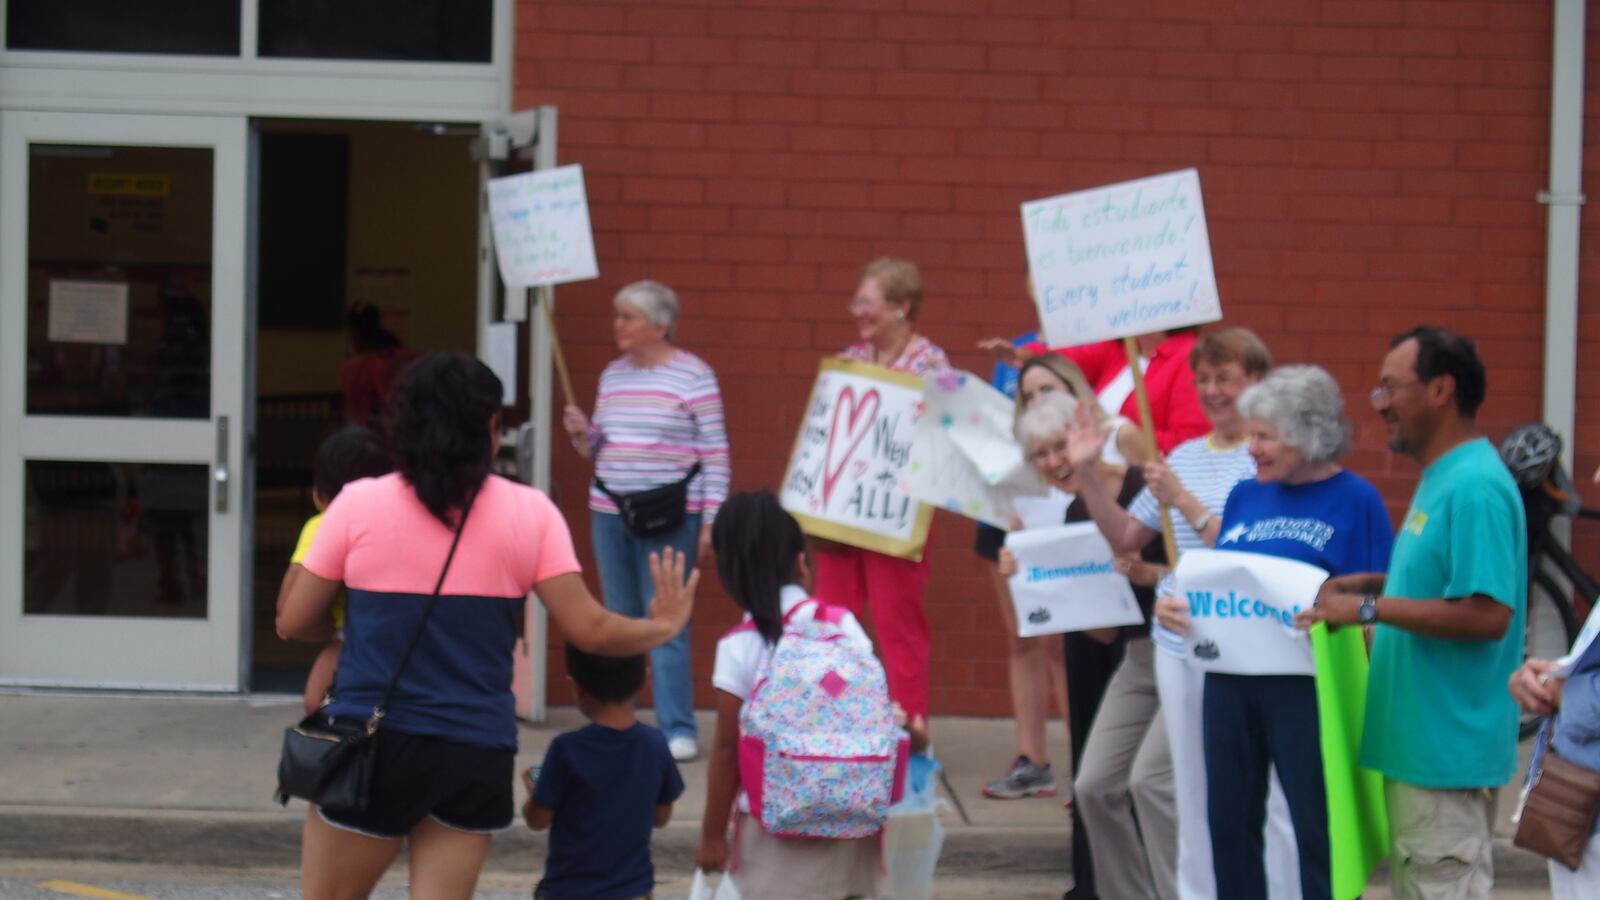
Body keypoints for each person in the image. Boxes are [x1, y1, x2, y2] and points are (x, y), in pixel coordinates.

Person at [279, 351, 697, 900]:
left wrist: (346, 635)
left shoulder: (356, 505)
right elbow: (590, 629)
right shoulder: (531, 512)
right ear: (492, 428)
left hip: (372, 747)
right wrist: (660, 627)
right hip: (473, 752)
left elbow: (292, 620)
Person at [1068, 327, 1301, 899]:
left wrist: (1186, 502)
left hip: (1218, 649)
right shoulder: (1181, 457)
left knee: (1154, 784)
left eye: (1226, 378)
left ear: (1257, 384)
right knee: (1094, 785)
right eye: (1203, 379)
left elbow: (1253, 555)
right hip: (1158, 643)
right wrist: (1085, 476)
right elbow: (1127, 535)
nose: (1212, 391)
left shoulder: (1267, 461)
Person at [1300, 326, 1526, 899]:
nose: (1380, 406)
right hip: (1420, 753)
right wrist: (1374, 581)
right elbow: (1448, 582)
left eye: (1389, 389)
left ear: (1440, 389)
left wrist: (1368, 607)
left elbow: (1486, 612)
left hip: (1445, 758)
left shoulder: (1474, 485)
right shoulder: (1444, 477)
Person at [1161, 365, 1391, 900]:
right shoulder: (1246, 495)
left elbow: (1380, 606)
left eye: (1264, 436)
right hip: (1229, 680)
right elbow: (1223, 579)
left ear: (1308, 434)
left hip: (1310, 687)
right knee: (1230, 827)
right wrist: (1180, 607)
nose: (1252, 449)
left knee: (1319, 829)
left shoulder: (1357, 500)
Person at [998, 389, 1164, 900]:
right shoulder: (1073, 511)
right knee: (1096, 787)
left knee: (1151, 786)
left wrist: (1147, 574)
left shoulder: (1144, 486)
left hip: (1177, 652)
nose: (1053, 462)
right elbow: (1102, 628)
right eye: (1040, 455)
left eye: (1057, 447)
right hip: (1126, 659)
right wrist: (1029, 581)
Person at [561, 280, 730, 762]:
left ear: (660, 325)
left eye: (627, 316)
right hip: (610, 511)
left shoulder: (695, 377)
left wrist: (711, 520)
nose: (617, 325)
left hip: (670, 515)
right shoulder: (612, 375)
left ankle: (678, 726)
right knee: (618, 614)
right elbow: (600, 447)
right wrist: (583, 434)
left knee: (667, 619)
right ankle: (620, 717)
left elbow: (716, 454)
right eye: (617, 316)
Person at [696, 491, 884, 899]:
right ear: (801, 562)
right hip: (851, 821)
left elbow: (727, 750)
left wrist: (711, 837)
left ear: (730, 575)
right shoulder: (844, 627)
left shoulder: (739, 647)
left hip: (772, 829)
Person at [980, 353, 1143, 802]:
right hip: (1090, 614)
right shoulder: (1041, 473)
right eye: (1027, 395)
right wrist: (1023, 566)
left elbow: (1155, 514)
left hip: (1141, 620)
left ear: (1074, 389)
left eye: (1045, 390)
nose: (1035, 401)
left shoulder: (1121, 439)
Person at [812, 257, 947, 725]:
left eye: (867, 303)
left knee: (897, 625)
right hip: (843, 514)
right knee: (832, 621)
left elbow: (943, 435)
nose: (858, 312)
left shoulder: (931, 363)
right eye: (857, 302)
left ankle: (908, 731)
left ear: (901, 306)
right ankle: (830, 722)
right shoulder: (851, 359)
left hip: (896, 516)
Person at [522, 644, 684, 900]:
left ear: (577, 687)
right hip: (633, 891)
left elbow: (537, 820)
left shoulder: (566, 748)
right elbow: (660, 818)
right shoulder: (654, 744)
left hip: (568, 891)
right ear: (644, 677)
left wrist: (535, 794)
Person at [275, 424, 392, 715]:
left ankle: (340, 737)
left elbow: (296, 576)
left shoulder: (320, 525)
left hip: (349, 639)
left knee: (315, 700)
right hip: (396, 635)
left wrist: (285, 613)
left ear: (318, 494)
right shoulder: (394, 524)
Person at [339, 303, 414, 431]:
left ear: (354, 333)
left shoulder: (354, 368)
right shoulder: (407, 358)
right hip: (405, 435)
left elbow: (354, 414)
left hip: (370, 439)